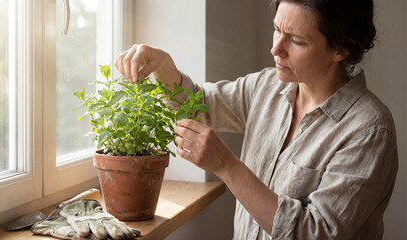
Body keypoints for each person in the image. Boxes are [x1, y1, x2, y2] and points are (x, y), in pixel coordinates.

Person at [114, 0, 398, 239]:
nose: (276, 49)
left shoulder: (368, 129)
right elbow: (197, 104)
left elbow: (315, 232)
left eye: (296, 41)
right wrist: (163, 66)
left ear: (341, 49)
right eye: (277, 30)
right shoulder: (267, 86)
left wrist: (227, 166)